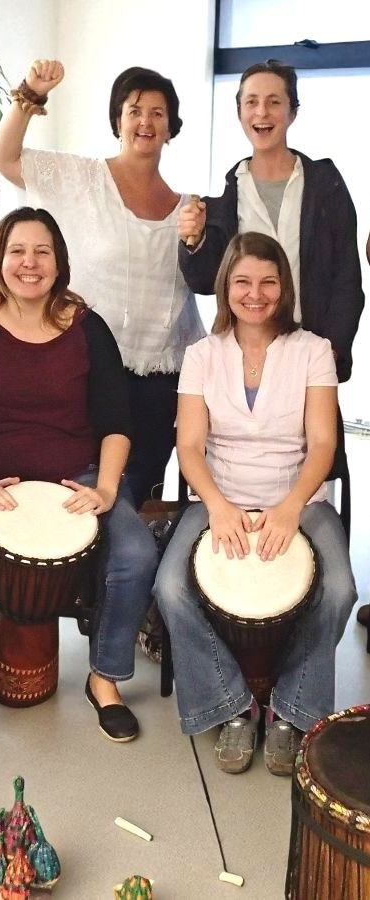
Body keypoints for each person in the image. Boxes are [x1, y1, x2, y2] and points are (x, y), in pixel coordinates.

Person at [0, 207, 159, 747]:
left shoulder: (88, 327)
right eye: (17, 251)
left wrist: (108, 489)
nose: (30, 263)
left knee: (137, 554)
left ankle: (105, 678)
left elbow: (117, 423)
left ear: (58, 262)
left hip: (80, 471)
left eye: (42, 251)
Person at [153, 232, 356, 776]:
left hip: (299, 497)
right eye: (243, 281)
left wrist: (291, 508)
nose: (255, 293)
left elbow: (323, 445)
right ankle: (235, 705)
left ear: (283, 288)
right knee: (170, 588)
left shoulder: (313, 351)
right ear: (226, 287)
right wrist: (216, 506)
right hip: (220, 496)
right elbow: (190, 446)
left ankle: (291, 710)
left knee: (339, 589)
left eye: (268, 281)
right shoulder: (201, 355)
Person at [0, 60, 204, 509]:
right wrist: (31, 94)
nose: (145, 121)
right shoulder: (81, 179)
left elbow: (204, 280)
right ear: (117, 121)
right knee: (78, 489)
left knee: (136, 497)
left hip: (159, 380)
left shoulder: (190, 209)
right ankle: (70, 578)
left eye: (158, 113)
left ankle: (128, 575)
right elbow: (4, 157)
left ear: (171, 127)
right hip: (82, 366)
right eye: (134, 110)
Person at [177, 59, 363, 385]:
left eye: (274, 102)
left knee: (319, 437)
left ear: (293, 112)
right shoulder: (224, 201)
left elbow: (347, 282)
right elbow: (205, 281)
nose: (261, 112)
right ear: (239, 113)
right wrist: (192, 240)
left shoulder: (326, 185)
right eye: (251, 102)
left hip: (313, 355)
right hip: (244, 358)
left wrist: (329, 356)